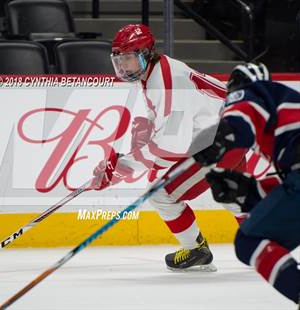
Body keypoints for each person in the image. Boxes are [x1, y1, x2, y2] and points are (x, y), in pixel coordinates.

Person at [92, 24, 248, 271]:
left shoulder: (164, 80)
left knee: (160, 193)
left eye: (129, 58)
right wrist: (125, 162)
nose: (122, 66)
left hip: (217, 140)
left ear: (146, 54)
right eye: (119, 59)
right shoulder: (156, 72)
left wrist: (125, 166)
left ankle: (197, 250)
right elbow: (167, 129)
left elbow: (171, 145)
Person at [193, 62, 300, 304]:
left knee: (249, 241)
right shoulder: (285, 109)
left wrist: (223, 136)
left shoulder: (253, 91)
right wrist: (248, 193)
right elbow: (289, 189)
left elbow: (240, 122)